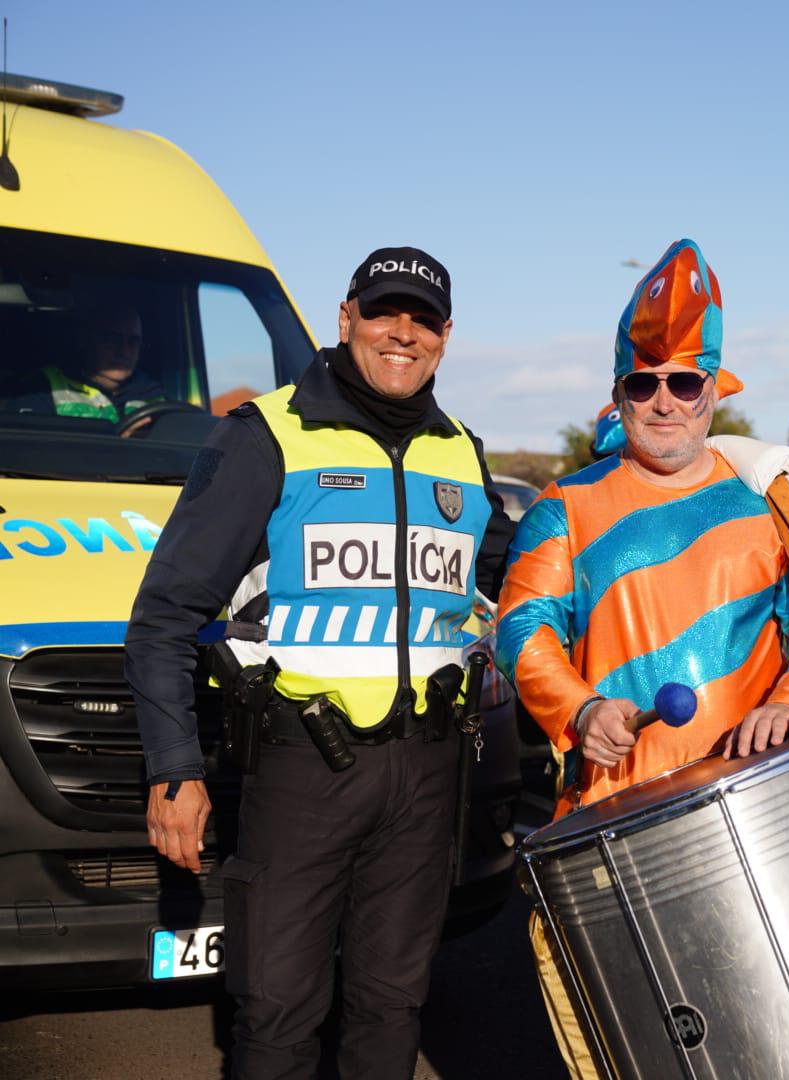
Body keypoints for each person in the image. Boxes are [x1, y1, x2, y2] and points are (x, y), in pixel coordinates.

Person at [128, 246, 515, 1079]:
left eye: (423, 319)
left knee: (392, 1004)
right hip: (303, 767)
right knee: (277, 1010)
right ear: (346, 320)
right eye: (384, 313)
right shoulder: (267, 436)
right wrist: (173, 769)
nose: (403, 333)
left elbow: (526, 589)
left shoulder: (462, 452)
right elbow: (163, 617)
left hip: (425, 774)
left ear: (446, 336)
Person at [496, 239, 789, 1077]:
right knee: (649, 1046)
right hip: (618, 814)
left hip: (757, 811)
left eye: (684, 383)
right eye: (642, 383)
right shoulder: (564, 505)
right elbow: (522, 625)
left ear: (714, 391)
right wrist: (580, 709)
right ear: (618, 392)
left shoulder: (770, 499)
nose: (663, 402)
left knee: (774, 1033)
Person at [4, 296, 164, 424]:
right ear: (86, 341)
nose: (124, 350)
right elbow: (31, 449)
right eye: (112, 339)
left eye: (133, 341)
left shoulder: (155, 396)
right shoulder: (42, 387)